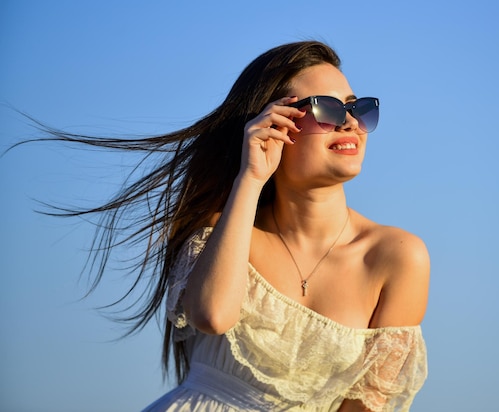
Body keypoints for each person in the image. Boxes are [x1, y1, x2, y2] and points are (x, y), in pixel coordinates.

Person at [27, 41, 430, 411]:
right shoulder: (225, 232)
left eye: (358, 108)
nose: (350, 123)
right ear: (273, 124)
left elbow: (367, 407)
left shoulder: (396, 257)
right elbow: (213, 316)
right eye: (327, 108)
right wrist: (250, 178)